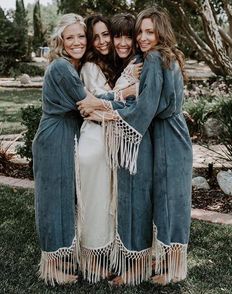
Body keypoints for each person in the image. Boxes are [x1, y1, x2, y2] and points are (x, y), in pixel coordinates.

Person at [79, 6, 192, 286]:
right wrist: (114, 100)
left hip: (168, 137)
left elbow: (144, 109)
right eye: (139, 31)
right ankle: (152, 264)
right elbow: (146, 99)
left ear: (161, 32)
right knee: (162, 203)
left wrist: (105, 111)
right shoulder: (158, 57)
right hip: (164, 134)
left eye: (148, 31)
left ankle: (173, 268)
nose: (141, 37)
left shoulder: (154, 58)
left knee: (169, 203)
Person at [32, 13, 119, 286]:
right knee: (54, 202)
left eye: (81, 36)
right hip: (55, 137)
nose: (77, 42)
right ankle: (52, 268)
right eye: (70, 37)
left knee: (69, 202)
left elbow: (94, 102)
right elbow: (87, 103)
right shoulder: (61, 68)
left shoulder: (73, 66)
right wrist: (125, 100)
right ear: (60, 41)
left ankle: (74, 256)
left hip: (68, 135)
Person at [76, 14, 141, 283]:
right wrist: (125, 90)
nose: (104, 41)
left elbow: (105, 103)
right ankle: (90, 258)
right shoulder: (91, 67)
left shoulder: (117, 64)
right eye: (97, 37)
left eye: (107, 35)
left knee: (108, 201)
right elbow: (93, 105)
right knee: (95, 200)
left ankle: (109, 253)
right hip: (95, 141)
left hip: (111, 139)